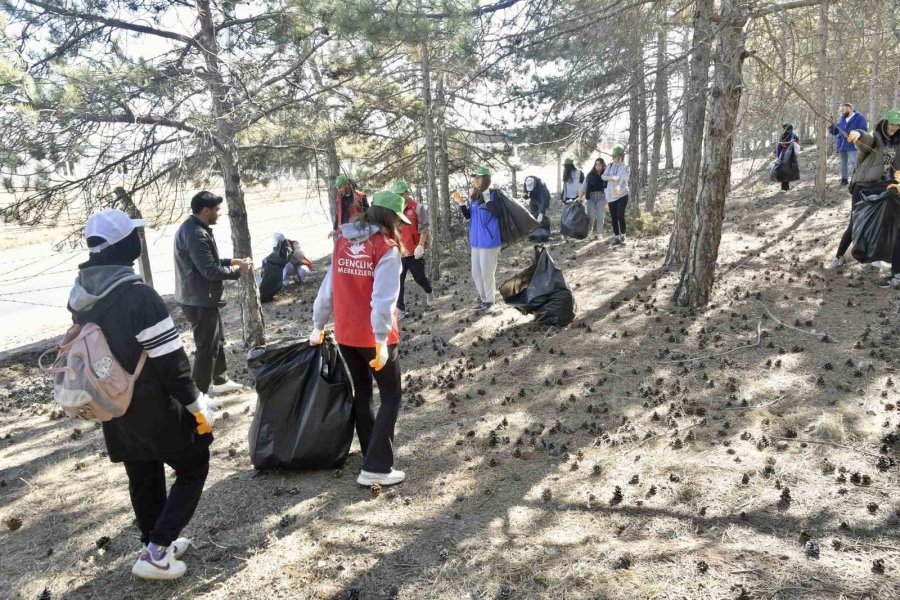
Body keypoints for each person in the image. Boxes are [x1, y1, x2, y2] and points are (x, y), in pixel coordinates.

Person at [68, 209, 214, 580]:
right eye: (133, 235)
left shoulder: (81, 295)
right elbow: (173, 364)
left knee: (142, 472)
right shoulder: (140, 297)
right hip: (153, 403)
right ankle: (156, 552)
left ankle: (153, 541)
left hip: (113, 401)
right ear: (123, 245)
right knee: (194, 463)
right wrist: (197, 405)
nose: (139, 239)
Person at [310, 190, 408, 486]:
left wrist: (318, 324)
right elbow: (383, 300)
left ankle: (370, 454)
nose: (401, 226)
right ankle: (376, 468)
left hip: (347, 335)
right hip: (373, 338)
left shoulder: (342, 241)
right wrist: (380, 339)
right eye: (399, 220)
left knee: (363, 392)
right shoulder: (386, 248)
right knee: (391, 395)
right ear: (390, 218)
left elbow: (327, 290)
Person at [174, 191, 249, 398]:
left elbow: (209, 261)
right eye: (216, 210)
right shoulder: (196, 234)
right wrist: (238, 272)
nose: (219, 213)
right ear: (205, 211)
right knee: (206, 348)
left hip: (201, 298)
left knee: (218, 341)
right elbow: (210, 271)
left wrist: (233, 262)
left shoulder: (197, 228)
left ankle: (220, 380)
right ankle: (199, 395)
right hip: (198, 301)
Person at [824, 109, 900, 287]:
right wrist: (857, 133)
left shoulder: (898, 142)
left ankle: (879, 260)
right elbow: (866, 139)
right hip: (864, 186)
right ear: (885, 122)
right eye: (892, 124)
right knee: (855, 223)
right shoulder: (876, 137)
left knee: (886, 224)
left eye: (898, 125)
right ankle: (839, 257)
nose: (895, 128)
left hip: (885, 188)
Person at [455, 166, 502, 312]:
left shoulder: (494, 195)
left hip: (489, 241)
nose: (476, 180)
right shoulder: (475, 197)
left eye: (479, 177)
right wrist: (461, 203)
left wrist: (486, 195)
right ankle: (483, 299)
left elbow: (498, 211)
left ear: (486, 179)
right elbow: (469, 216)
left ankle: (490, 300)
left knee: (487, 272)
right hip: (476, 241)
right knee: (476, 272)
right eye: (474, 178)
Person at [391, 180, 435, 317]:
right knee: (398, 280)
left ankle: (429, 292)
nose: (398, 197)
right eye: (396, 195)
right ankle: (400, 308)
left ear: (407, 193)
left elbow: (424, 228)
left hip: (414, 251)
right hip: (398, 252)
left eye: (400, 194)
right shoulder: (393, 209)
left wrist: (421, 246)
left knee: (419, 278)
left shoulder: (417, 208)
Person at [828, 103, 868, 186]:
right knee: (843, 163)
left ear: (849, 108)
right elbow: (835, 132)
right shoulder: (841, 119)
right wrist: (831, 126)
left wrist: (855, 133)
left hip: (852, 144)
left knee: (854, 162)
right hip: (841, 145)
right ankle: (844, 179)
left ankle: (860, 179)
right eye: (840, 110)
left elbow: (863, 130)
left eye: (843, 110)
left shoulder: (859, 118)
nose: (841, 112)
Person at [602, 146, 631, 245]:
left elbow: (624, 179)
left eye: (617, 156)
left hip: (622, 194)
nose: (615, 158)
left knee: (620, 215)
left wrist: (619, 186)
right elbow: (603, 177)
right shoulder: (610, 166)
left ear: (622, 156)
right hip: (611, 195)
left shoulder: (626, 167)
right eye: (614, 156)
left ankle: (623, 235)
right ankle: (616, 237)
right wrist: (612, 177)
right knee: (613, 217)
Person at [577, 157, 608, 240]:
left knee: (600, 216)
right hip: (591, 197)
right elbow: (584, 186)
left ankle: (599, 233)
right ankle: (589, 232)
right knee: (591, 216)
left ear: (603, 165)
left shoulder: (605, 175)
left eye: (600, 164)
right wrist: (580, 197)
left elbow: (609, 187)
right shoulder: (590, 175)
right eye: (596, 164)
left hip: (602, 197)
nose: (598, 166)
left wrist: (609, 200)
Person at [523, 175, 551, 239]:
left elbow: (544, 201)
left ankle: (543, 233)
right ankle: (535, 234)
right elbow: (526, 193)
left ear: (535, 184)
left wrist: (541, 213)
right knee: (533, 216)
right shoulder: (527, 181)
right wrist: (525, 195)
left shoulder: (542, 185)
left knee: (540, 217)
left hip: (542, 200)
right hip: (533, 200)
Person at [774, 124, 801, 191]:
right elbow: (797, 143)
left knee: (784, 170)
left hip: (784, 154)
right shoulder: (793, 135)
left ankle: (784, 187)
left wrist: (777, 155)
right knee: (788, 170)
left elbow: (779, 146)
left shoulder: (783, 135)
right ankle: (786, 187)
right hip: (791, 154)